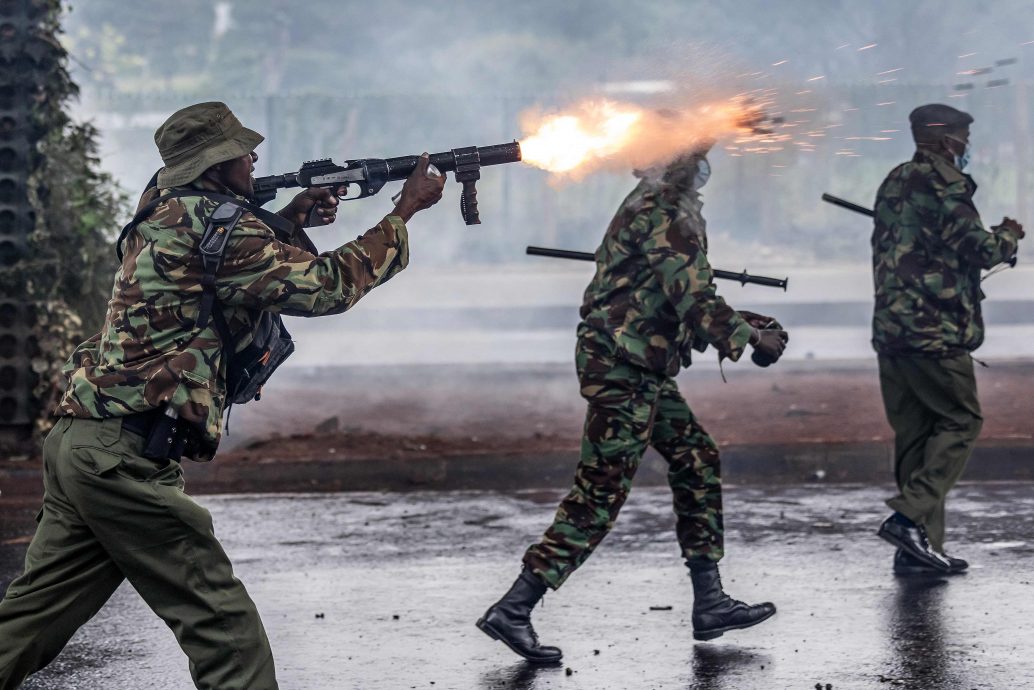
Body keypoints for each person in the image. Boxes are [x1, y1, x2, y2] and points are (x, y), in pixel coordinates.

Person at [0, 101, 445, 689]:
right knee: (224, 627)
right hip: (122, 459)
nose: (254, 156)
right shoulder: (228, 226)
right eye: (240, 151)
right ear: (213, 165)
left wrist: (289, 218)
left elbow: (218, 255)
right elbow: (328, 288)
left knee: (30, 621)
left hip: (82, 443)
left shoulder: (161, 207)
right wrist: (404, 211)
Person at [476, 147, 788, 663]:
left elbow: (670, 294)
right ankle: (515, 607)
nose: (703, 166)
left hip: (639, 364)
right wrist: (750, 338)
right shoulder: (665, 211)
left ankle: (710, 601)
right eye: (697, 155)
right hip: (624, 367)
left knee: (696, 457)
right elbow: (694, 297)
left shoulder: (655, 203)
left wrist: (745, 325)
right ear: (679, 160)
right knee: (599, 494)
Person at [872, 103, 1024, 576]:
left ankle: (918, 550)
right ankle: (906, 517)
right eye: (961, 137)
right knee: (960, 421)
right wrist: (1008, 236)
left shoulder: (895, 181)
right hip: (934, 333)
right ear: (943, 141)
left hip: (893, 332)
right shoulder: (945, 184)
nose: (965, 147)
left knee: (917, 438)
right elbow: (979, 249)